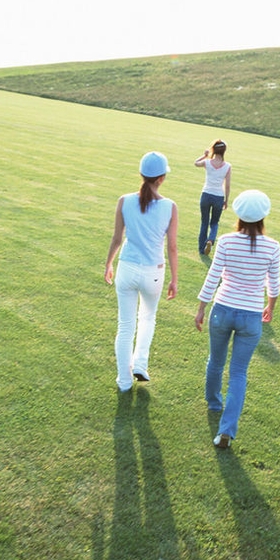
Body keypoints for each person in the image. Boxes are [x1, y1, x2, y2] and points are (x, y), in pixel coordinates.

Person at [194, 190, 280, 448]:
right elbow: (273, 284)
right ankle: (227, 431)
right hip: (251, 316)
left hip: (222, 309)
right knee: (239, 373)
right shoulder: (272, 246)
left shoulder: (226, 241)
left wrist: (200, 308)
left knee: (216, 362)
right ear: (264, 216)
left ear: (238, 215)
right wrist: (271, 307)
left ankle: (214, 403)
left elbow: (213, 276)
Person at [105, 151, 178, 391]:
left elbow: (117, 238)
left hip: (127, 267)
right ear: (161, 178)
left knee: (125, 326)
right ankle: (140, 365)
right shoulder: (170, 206)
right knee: (147, 318)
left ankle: (124, 381)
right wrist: (175, 279)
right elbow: (173, 248)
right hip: (153, 272)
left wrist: (108, 264)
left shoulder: (124, 200)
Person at [194, 139, 231, 255]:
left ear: (213, 149)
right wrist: (226, 200)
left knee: (204, 222)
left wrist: (204, 155)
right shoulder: (227, 166)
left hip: (206, 194)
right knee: (214, 222)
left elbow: (196, 163)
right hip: (218, 197)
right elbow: (228, 185)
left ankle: (201, 248)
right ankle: (210, 239)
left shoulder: (207, 162)